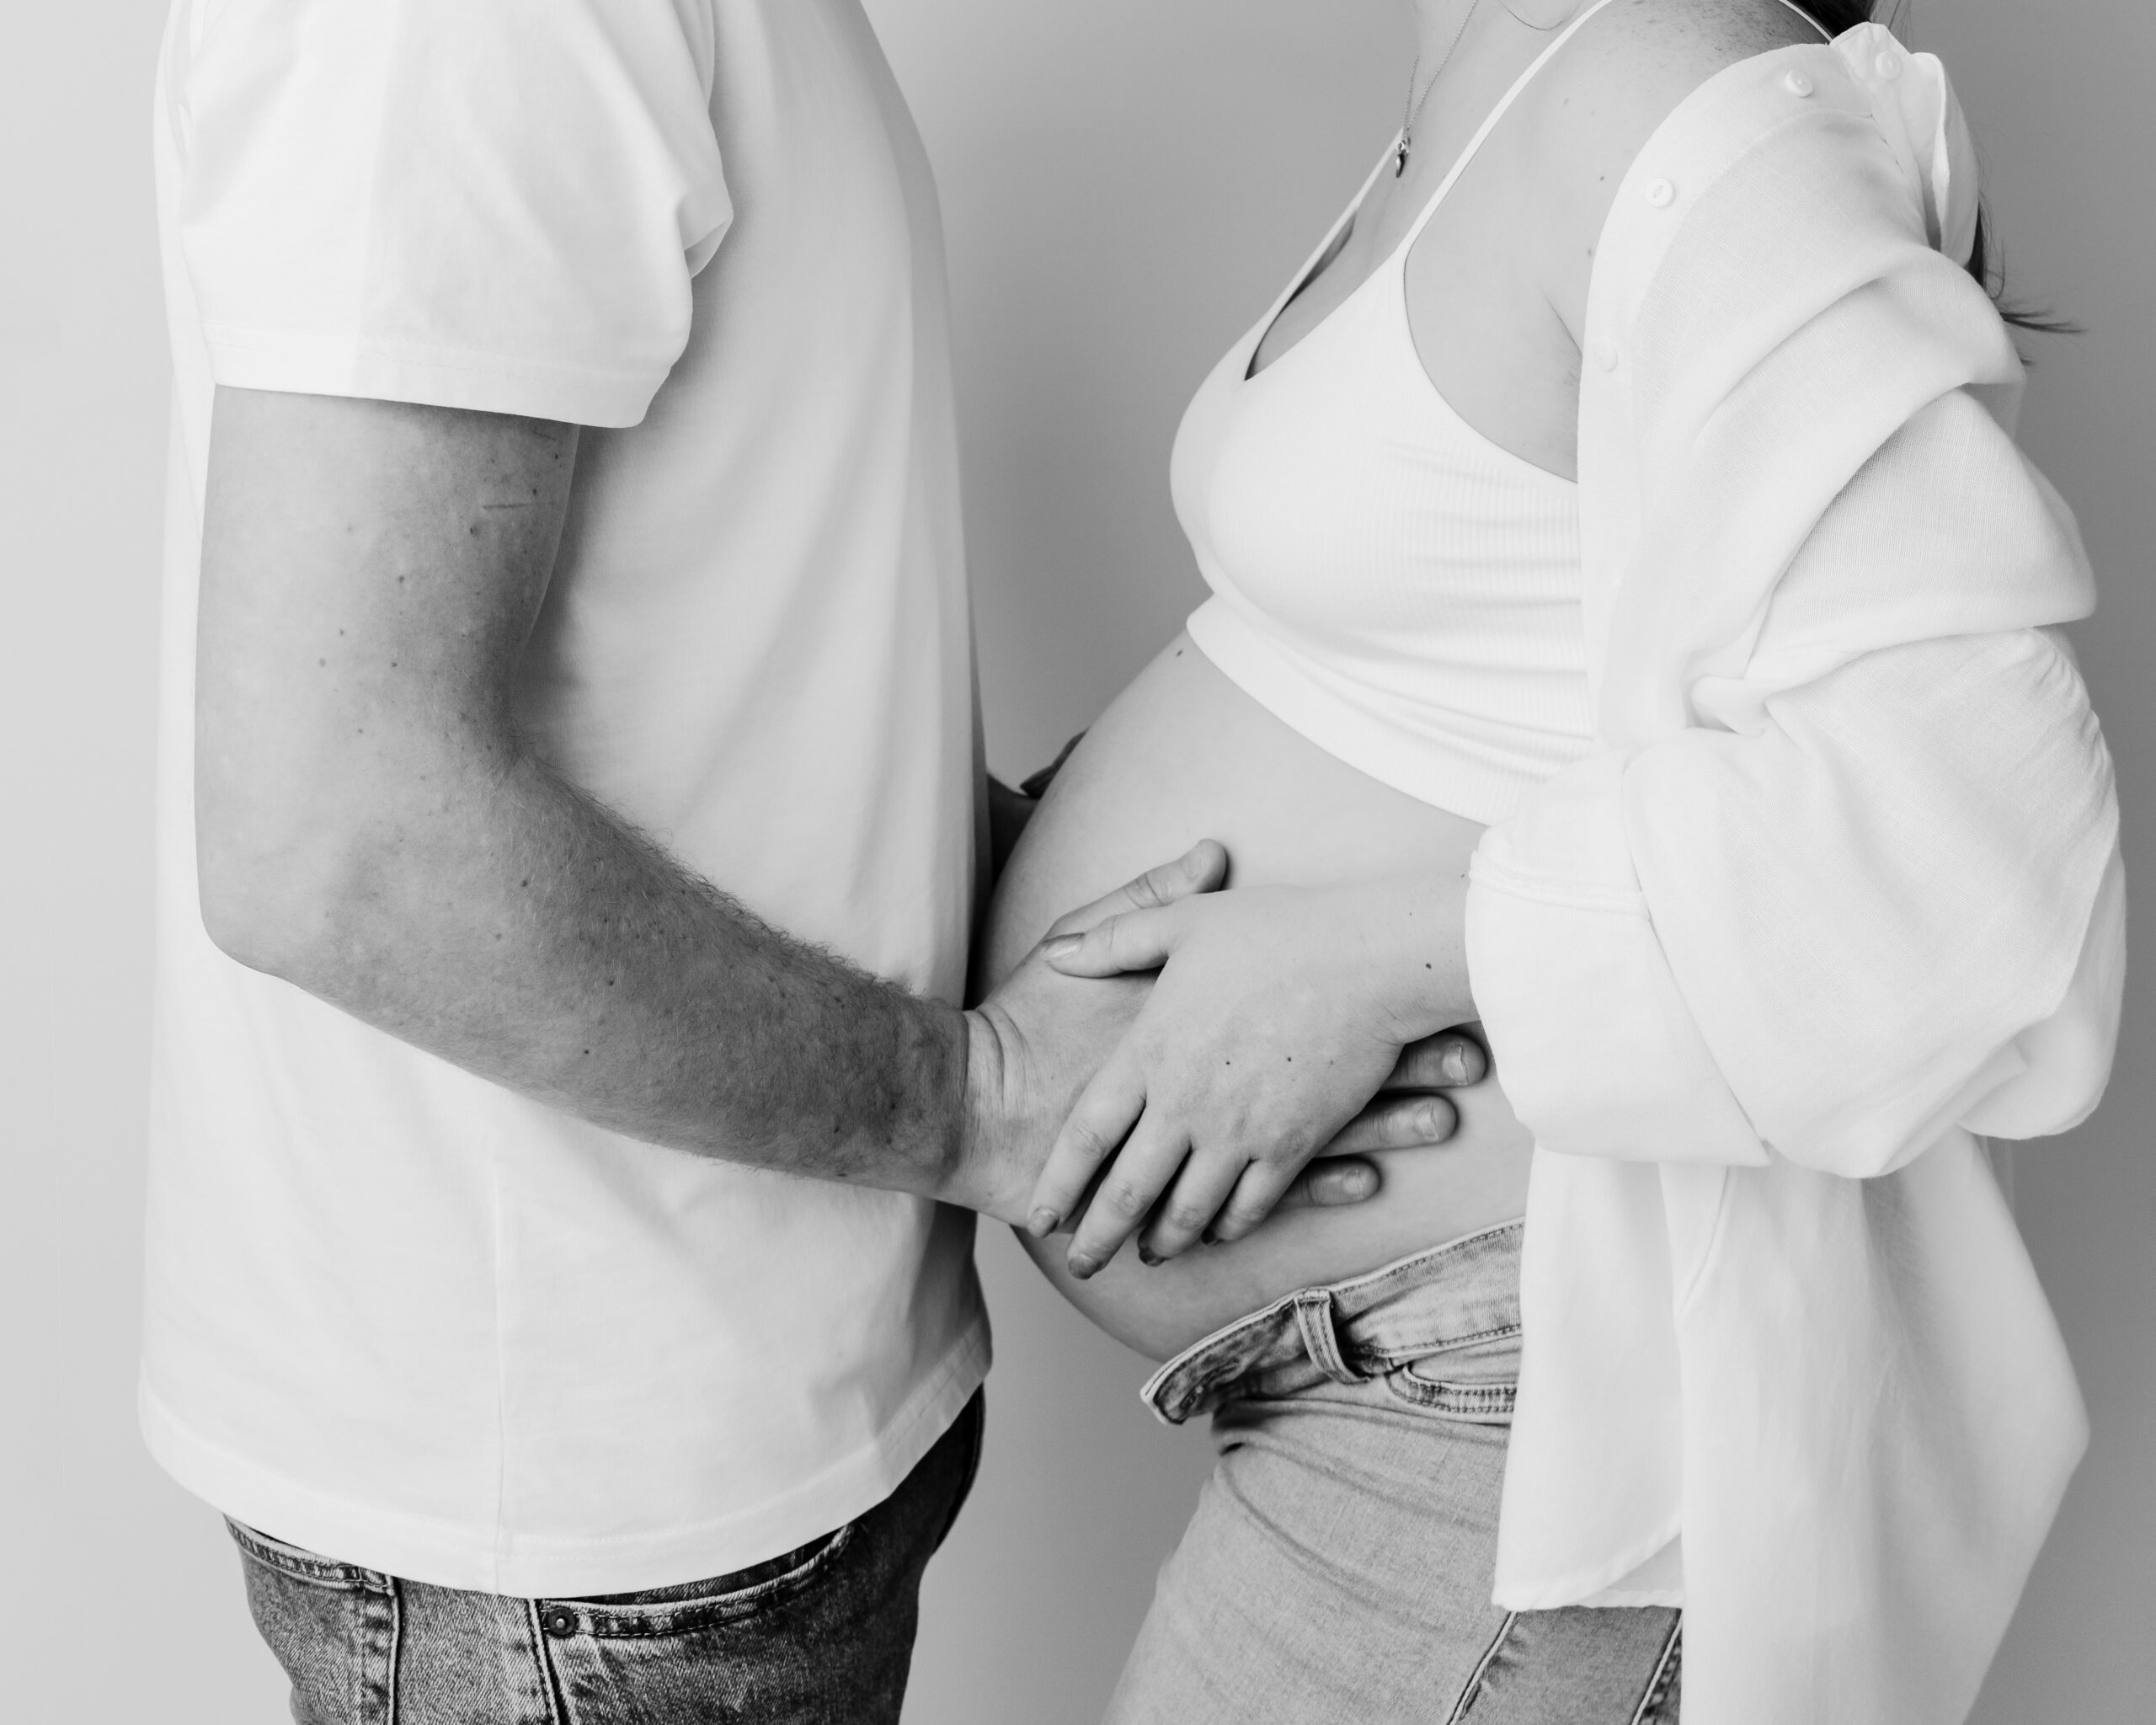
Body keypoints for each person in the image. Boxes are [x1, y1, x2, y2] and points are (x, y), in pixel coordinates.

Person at [141, 2, 1478, 1719]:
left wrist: (1082, 846)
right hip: (573, 1511)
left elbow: (701, 625)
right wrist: (981, 1098)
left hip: (722, 1442)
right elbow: (338, 839)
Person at [982, 1, 2124, 1721]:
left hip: (1515, 1403)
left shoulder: (1651, 81)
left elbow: (1980, 828)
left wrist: (1365, 963)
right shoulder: (1506, 72)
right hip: (1415, 1380)